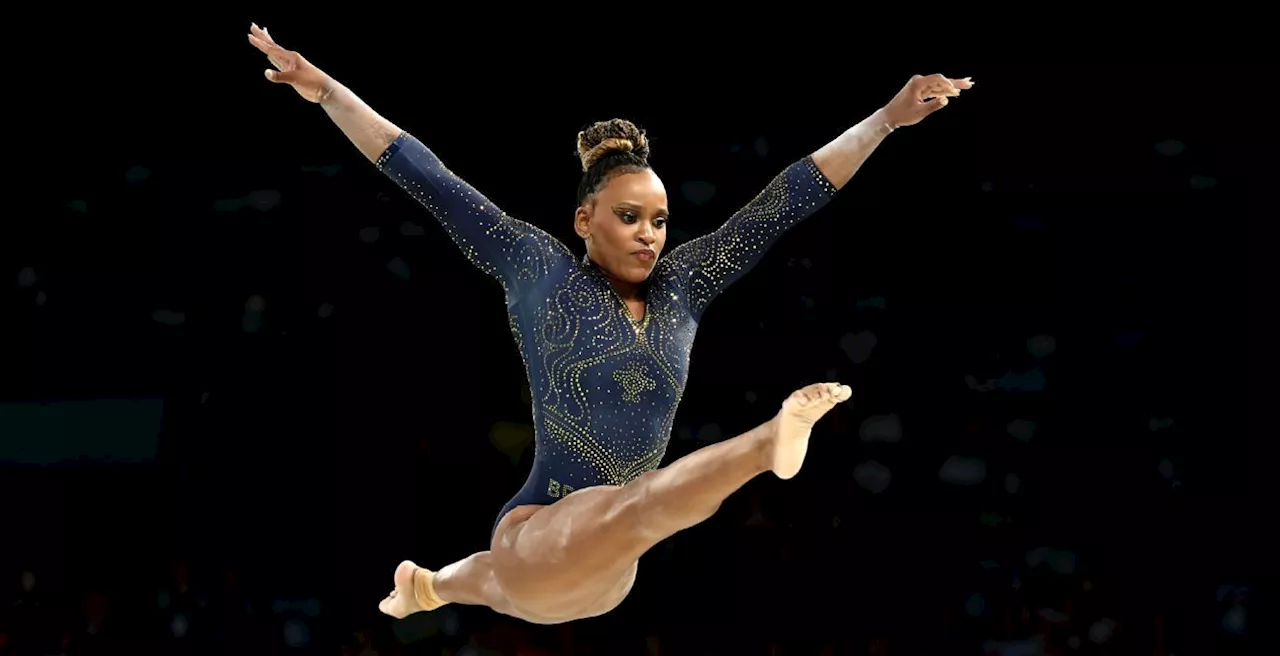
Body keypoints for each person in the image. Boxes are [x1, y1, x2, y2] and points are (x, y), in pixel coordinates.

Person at [247, 23, 972, 624]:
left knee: (579, 543)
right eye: (628, 218)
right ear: (583, 220)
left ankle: (428, 586)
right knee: (625, 515)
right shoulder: (538, 268)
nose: (649, 234)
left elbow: (786, 200)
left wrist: (885, 120)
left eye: (659, 219)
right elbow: (426, 176)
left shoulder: (686, 286)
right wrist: (325, 92)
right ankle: (766, 444)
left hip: (609, 574)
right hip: (540, 526)